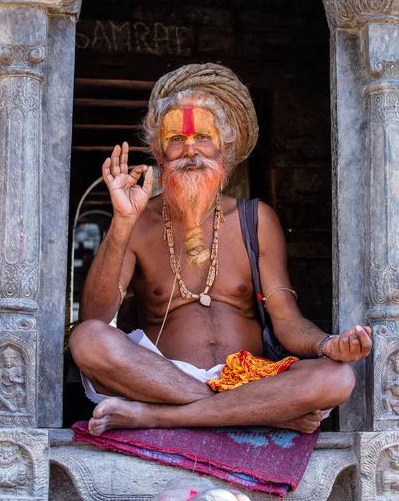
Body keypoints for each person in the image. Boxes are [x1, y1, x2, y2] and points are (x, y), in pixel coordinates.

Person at [70, 63, 372, 437]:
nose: (190, 150)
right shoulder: (137, 222)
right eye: (176, 139)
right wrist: (121, 221)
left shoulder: (256, 218)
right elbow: (96, 316)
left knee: (337, 377)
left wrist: (328, 344)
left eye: (203, 137)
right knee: (87, 339)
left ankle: (161, 417)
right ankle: (255, 414)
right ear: (158, 151)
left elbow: (287, 321)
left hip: (251, 380)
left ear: (225, 149)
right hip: (161, 379)